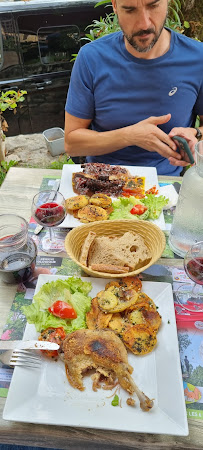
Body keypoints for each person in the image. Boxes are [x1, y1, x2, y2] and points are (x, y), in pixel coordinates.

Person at [64, 0, 203, 175]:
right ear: (114, 6)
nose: (144, 24)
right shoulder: (91, 58)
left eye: (153, 6)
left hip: (166, 188)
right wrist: (130, 136)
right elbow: (71, 144)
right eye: (130, 10)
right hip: (101, 185)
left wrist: (196, 135)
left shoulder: (198, 58)